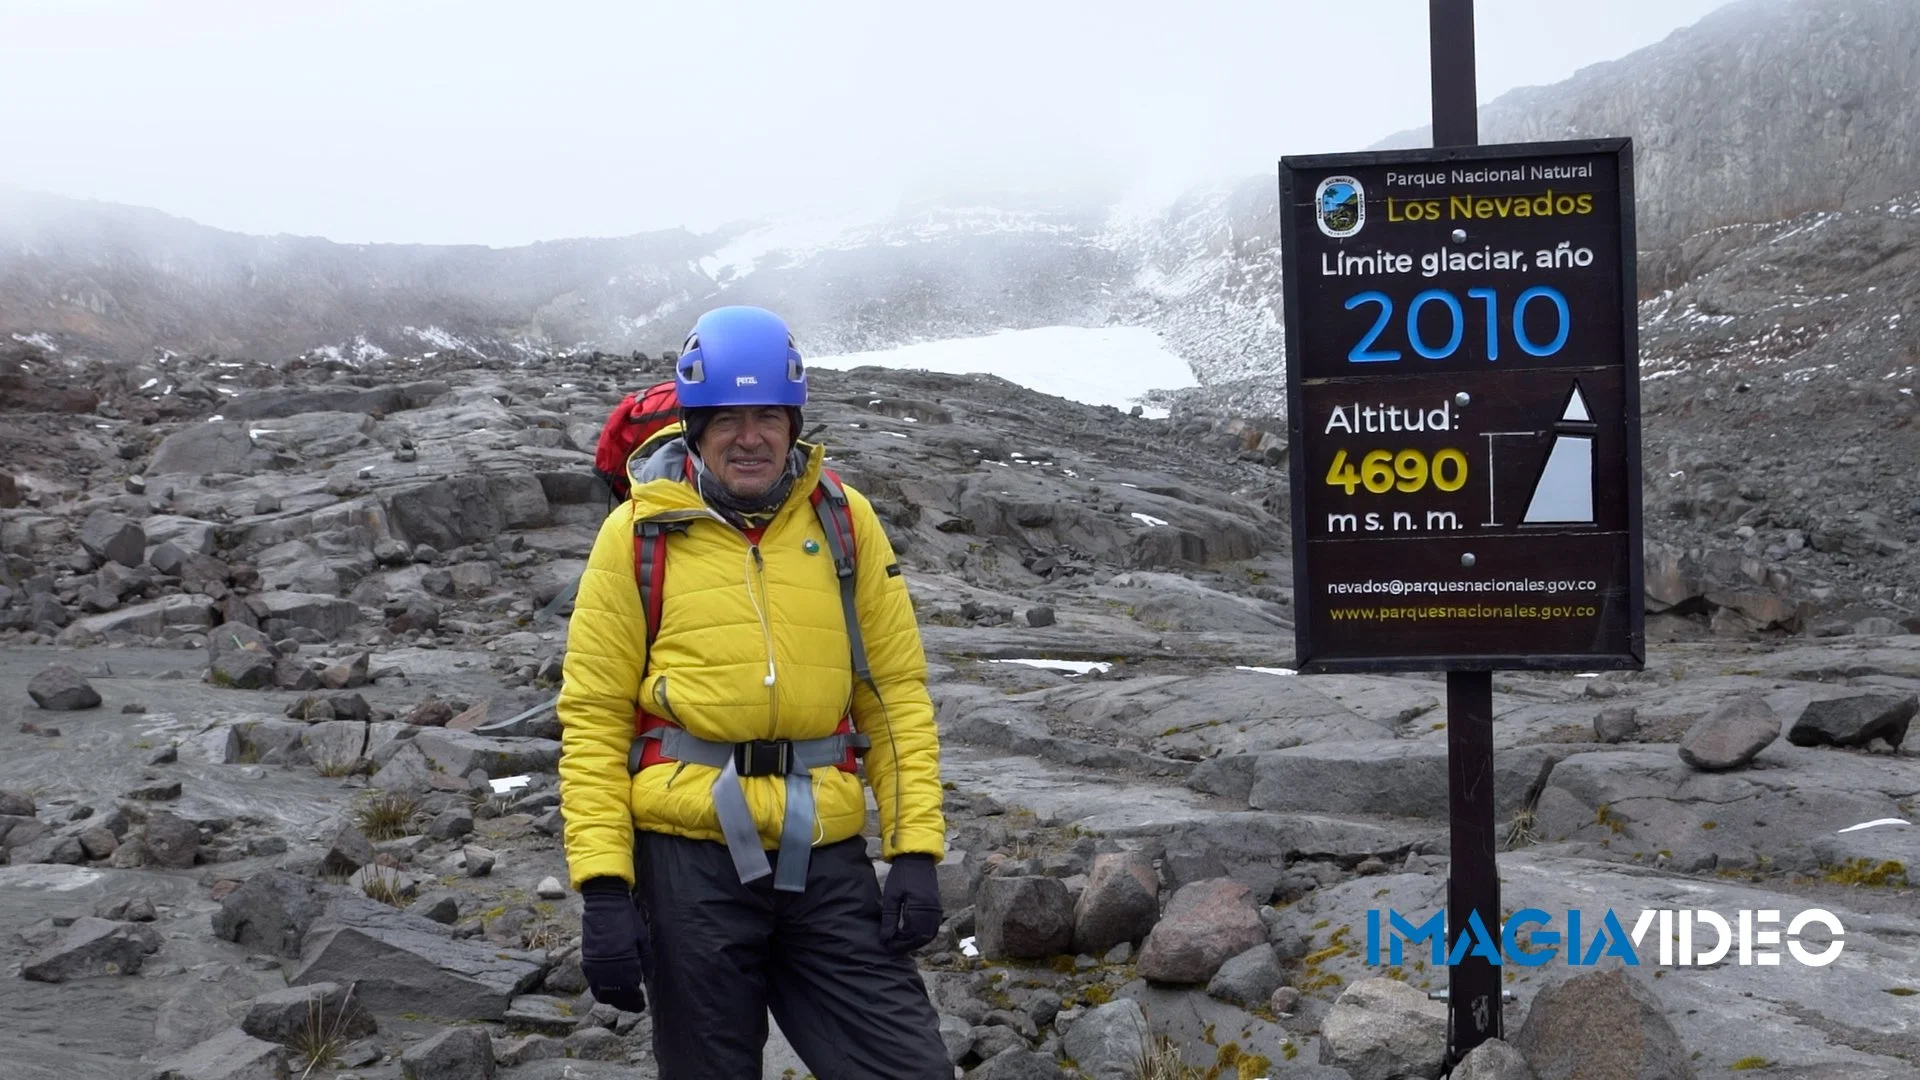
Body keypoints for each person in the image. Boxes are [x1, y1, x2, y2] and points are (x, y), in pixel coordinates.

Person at [556, 305, 953, 1079]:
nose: (749, 437)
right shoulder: (637, 534)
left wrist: (914, 851)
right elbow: (595, 717)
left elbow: (893, 695)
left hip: (825, 852)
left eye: (768, 415)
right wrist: (604, 888)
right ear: (695, 428)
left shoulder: (844, 521)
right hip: (687, 859)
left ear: (792, 423)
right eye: (727, 419)